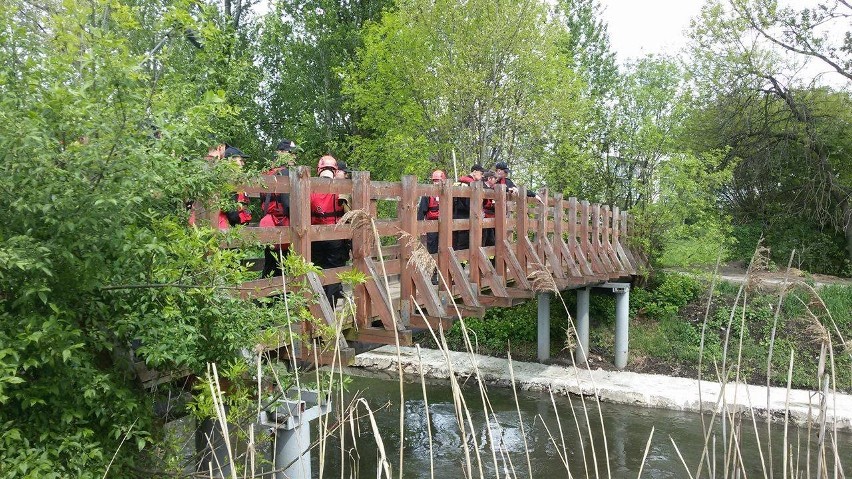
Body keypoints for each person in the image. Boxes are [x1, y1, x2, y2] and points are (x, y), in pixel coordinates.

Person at [310, 155, 348, 306]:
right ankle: (330, 307)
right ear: (335, 170)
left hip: (315, 237)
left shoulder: (310, 188)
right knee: (334, 271)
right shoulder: (341, 189)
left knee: (317, 269)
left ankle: (317, 306)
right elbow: (349, 213)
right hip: (335, 237)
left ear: (319, 170)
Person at [259, 139, 299, 278]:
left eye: (294, 154)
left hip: (267, 223)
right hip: (282, 224)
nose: (293, 157)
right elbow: (287, 205)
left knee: (269, 265)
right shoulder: (286, 174)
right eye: (290, 153)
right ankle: (282, 297)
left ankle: (265, 297)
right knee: (284, 266)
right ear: (279, 153)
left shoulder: (266, 173)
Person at [417, 169, 446, 284]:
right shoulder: (427, 194)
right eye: (434, 181)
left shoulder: (446, 193)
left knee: (445, 249)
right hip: (432, 224)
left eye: (438, 181)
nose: (435, 183)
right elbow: (421, 212)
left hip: (445, 225)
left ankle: (446, 275)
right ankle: (433, 275)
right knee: (432, 249)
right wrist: (421, 227)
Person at [452, 164, 484, 251]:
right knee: (463, 244)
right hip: (465, 215)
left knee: (455, 241)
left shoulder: (458, 182)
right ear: (474, 172)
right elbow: (469, 203)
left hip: (454, 214)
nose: (482, 176)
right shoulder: (470, 184)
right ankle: (460, 263)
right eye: (481, 173)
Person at [219, 146, 252, 229]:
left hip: (237, 224)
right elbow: (231, 211)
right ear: (230, 160)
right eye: (240, 161)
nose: (243, 164)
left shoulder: (237, 180)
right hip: (226, 226)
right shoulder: (226, 178)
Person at [482, 170, 497, 248]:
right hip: (483, 218)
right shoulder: (482, 187)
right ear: (489, 179)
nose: (496, 181)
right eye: (495, 179)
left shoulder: (491, 189)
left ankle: (490, 259)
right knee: (483, 240)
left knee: (491, 240)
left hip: (490, 217)